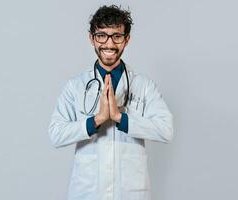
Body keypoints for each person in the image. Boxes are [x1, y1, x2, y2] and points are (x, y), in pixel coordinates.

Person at [48, 5, 174, 200]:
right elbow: (56, 134)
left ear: (127, 40)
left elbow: (166, 130)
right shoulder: (75, 86)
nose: (109, 44)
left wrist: (120, 118)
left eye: (117, 36)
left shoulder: (143, 86)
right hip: (87, 191)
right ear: (92, 38)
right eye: (101, 35)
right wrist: (96, 120)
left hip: (130, 192)